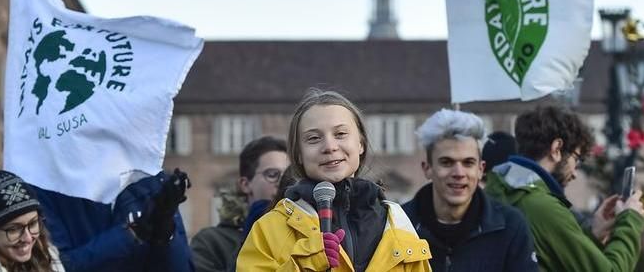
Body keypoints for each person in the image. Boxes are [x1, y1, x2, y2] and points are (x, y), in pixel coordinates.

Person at [236, 88, 432, 272]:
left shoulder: (397, 223)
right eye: (313, 138)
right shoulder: (269, 229)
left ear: (361, 144)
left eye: (340, 134)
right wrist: (305, 264)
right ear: (298, 155)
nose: (329, 146)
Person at [485, 106, 644, 272]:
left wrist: (593, 233)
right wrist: (630, 222)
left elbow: (550, 257)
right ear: (556, 149)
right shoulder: (541, 206)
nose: (575, 173)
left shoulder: (503, 189)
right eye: (576, 159)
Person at [402, 109, 538, 272]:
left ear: (481, 169)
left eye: (468, 163)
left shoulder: (511, 227)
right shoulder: (399, 226)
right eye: (446, 162)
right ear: (427, 168)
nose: (459, 173)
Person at [36, 168, 194, 271]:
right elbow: (54, 266)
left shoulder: (151, 180)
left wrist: (166, 236)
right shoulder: (46, 187)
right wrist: (130, 235)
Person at [190, 135, 289, 272]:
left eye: (288, 176)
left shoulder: (306, 232)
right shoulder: (211, 241)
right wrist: (252, 237)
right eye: (272, 174)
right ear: (245, 184)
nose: (283, 183)